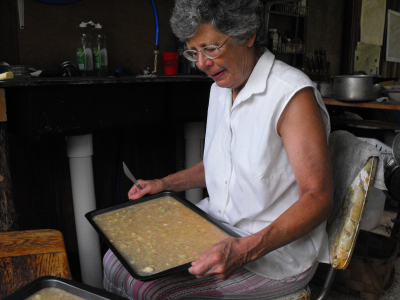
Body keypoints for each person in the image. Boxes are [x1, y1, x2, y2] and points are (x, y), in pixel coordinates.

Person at [103, 0, 334, 299]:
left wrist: (245, 250)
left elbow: (318, 198)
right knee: (115, 261)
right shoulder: (221, 88)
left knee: (152, 291)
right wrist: (164, 184)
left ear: (248, 34)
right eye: (193, 52)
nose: (200, 63)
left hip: (273, 253)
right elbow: (222, 165)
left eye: (210, 49)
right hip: (216, 227)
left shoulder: (290, 96)